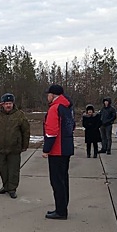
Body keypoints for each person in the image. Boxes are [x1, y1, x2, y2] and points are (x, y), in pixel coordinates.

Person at [0, 93, 30, 199]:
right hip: (0, 147)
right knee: (3, 169)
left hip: (14, 148)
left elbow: (26, 131)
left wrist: (24, 145)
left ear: (13, 104)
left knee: (13, 170)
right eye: (6, 103)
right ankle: (5, 186)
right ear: (2, 104)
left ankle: (12, 189)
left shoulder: (19, 115)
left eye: (10, 103)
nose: (8, 105)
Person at [42, 85, 74, 220]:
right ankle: (62, 207)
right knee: (63, 180)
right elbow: (72, 126)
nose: (47, 97)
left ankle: (61, 211)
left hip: (57, 150)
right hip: (66, 149)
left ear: (53, 95)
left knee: (57, 181)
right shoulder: (66, 108)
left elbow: (51, 132)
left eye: (48, 94)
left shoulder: (55, 108)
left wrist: (46, 149)